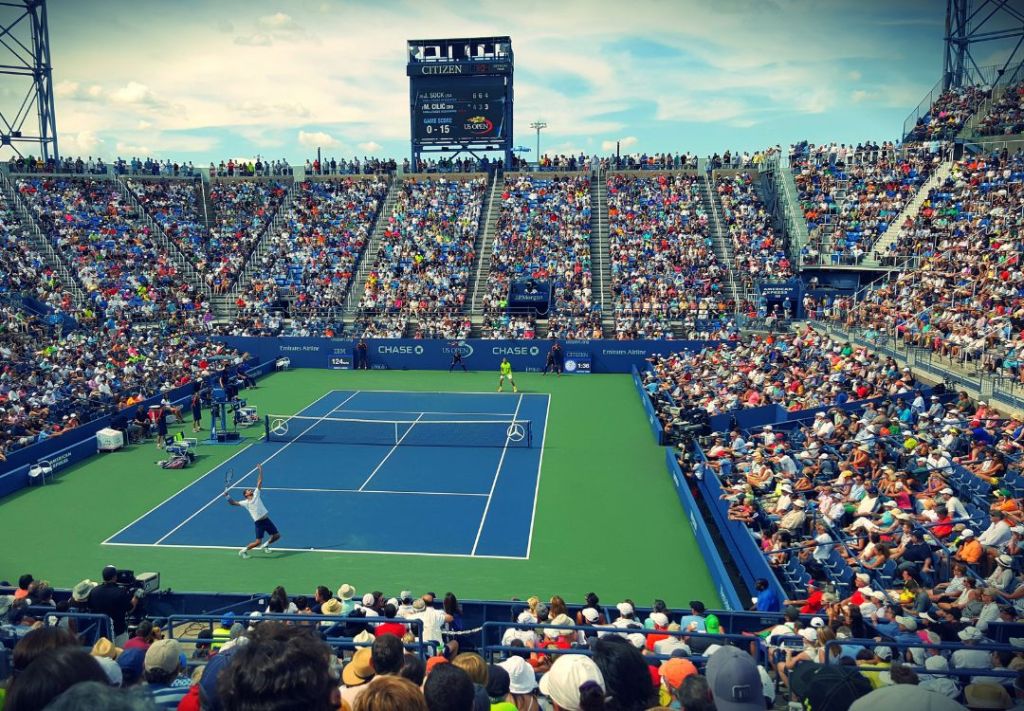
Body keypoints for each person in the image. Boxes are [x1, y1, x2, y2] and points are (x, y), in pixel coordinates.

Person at [225, 463, 281, 558]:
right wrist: (227, 496)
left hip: (267, 520)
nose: (250, 490)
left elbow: (259, 481)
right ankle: (243, 551)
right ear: (246, 495)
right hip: (259, 523)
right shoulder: (245, 502)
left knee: (277, 536)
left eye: (250, 490)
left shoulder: (256, 494)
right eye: (248, 490)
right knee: (257, 542)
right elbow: (232, 503)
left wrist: (260, 470)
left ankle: (266, 545)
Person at [88, 565, 141, 646]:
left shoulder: (94, 591)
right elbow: (130, 609)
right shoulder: (120, 592)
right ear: (115, 577)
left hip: (99, 632)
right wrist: (137, 596)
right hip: (118, 632)